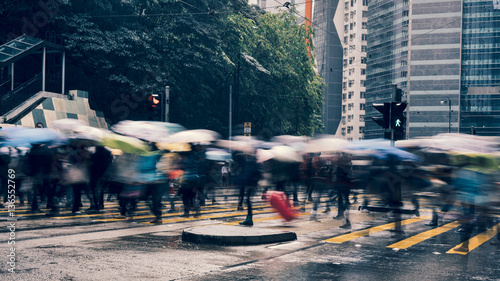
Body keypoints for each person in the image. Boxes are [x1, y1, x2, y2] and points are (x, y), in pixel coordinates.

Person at [88, 146, 113, 212]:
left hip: (95, 175)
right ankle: (101, 204)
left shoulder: (95, 155)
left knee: (94, 190)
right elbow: (110, 164)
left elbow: (91, 165)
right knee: (101, 190)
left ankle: (96, 205)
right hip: (104, 174)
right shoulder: (108, 154)